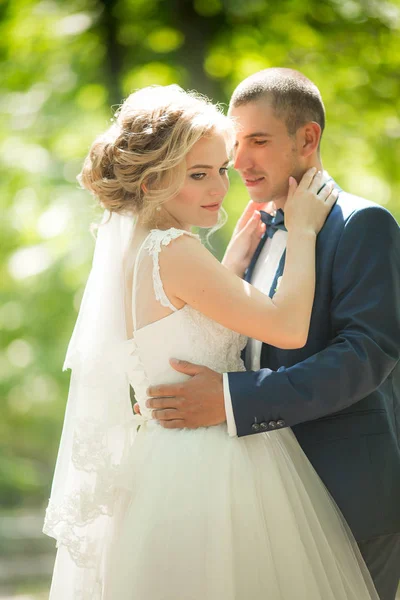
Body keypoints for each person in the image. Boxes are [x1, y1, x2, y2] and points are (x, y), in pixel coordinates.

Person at [43, 84, 379, 599]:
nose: (221, 188)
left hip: (164, 464)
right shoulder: (175, 249)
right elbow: (287, 328)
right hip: (211, 464)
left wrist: (233, 265)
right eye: (198, 175)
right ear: (154, 180)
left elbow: (187, 322)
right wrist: (305, 232)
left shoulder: (141, 249)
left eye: (221, 170)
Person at [143, 70, 400, 600]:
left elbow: (365, 355)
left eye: (258, 141)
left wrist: (232, 399)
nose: (239, 162)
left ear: (307, 139)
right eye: (235, 144)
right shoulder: (257, 227)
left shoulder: (364, 224)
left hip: (346, 488)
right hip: (256, 497)